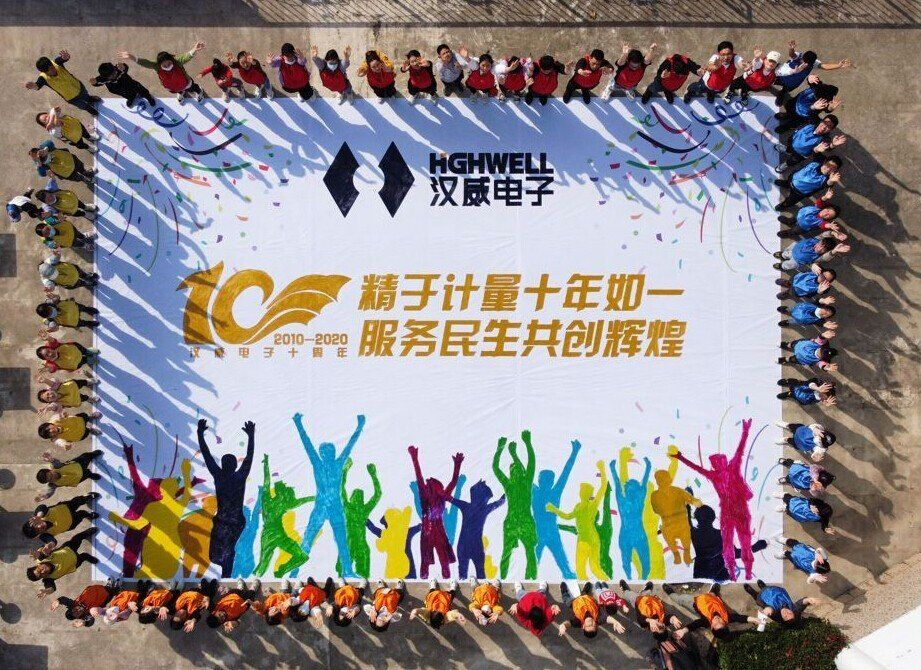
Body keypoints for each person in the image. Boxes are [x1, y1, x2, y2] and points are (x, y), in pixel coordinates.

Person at [197, 419, 255, 577]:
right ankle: (226, 572)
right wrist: (251, 436)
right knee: (219, 554)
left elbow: (207, 455)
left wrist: (200, 434)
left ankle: (226, 574)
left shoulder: (221, 476)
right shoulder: (236, 476)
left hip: (229, 521)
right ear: (235, 465)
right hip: (229, 521)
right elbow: (249, 457)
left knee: (224, 554)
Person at [547, 459, 610, 580]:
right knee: (595, 568)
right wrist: (554, 509)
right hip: (593, 539)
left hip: (584, 540)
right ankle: (605, 584)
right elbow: (567, 516)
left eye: (583, 491)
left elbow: (567, 516)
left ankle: (588, 588)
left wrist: (554, 509)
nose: (581, 492)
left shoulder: (588, 506)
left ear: (585, 493)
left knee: (582, 569)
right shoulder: (585, 506)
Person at [409, 445, 464, 579]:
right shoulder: (427, 496)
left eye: (429, 484)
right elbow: (419, 476)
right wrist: (414, 457)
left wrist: (457, 465)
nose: (426, 484)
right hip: (429, 532)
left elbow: (453, 482)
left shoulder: (440, 496)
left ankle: (445, 580)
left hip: (436, 531)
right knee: (427, 560)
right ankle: (426, 580)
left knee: (442, 560)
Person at [118, 43, 206, 103]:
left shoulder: (177, 62)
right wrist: (132, 57)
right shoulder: (157, 67)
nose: (167, 65)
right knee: (178, 90)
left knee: (192, 88)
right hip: (172, 88)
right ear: (160, 64)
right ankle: (181, 92)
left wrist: (194, 49)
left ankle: (199, 91)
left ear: (172, 60)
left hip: (186, 83)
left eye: (169, 63)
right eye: (164, 64)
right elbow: (145, 63)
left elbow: (186, 57)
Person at [668, 584, 758, 642]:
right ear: (725, 623)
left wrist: (683, 631)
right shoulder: (727, 618)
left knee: (680, 599)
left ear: (711, 627)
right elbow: (740, 618)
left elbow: (695, 625)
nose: (717, 620)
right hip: (712, 598)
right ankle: (714, 589)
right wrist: (754, 619)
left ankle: (670, 593)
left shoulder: (705, 622)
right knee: (713, 593)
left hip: (695, 603)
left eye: (715, 624)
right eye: (721, 622)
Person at [773, 41, 852, 104]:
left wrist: (838, 65)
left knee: (785, 90)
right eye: (804, 62)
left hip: (794, 83)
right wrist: (791, 48)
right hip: (782, 77)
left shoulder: (813, 63)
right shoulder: (798, 56)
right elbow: (792, 54)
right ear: (802, 57)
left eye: (808, 63)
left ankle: (781, 95)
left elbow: (825, 66)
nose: (806, 64)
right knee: (771, 81)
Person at [27, 527, 98, 596]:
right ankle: (88, 557)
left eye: (39, 570)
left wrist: (41, 551)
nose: (42, 572)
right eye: (40, 576)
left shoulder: (42, 559)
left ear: (38, 565)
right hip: (75, 562)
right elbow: (51, 588)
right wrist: (47, 591)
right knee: (84, 556)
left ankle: (88, 532)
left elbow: (42, 554)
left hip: (68, 548)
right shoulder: (48, 579)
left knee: (78, 538)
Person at [26, 51, 100, 115]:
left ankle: (89, 99)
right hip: (71, 98)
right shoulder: (43, 78)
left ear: (52, 65)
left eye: (51, 68)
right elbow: (37, 86)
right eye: (48, 71)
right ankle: (89, 109)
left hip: (78, 87)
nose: (51, 71)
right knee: (82, 105)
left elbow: (63, 59)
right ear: (44, 72)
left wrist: (66, 57)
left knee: (85, 95)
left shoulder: (57, 62)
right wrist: (33, 86)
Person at [777, 117, 846, 173]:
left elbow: (827, 147)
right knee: (788, 149)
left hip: (800, 155)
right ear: (821, 121)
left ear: (831, 130)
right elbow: (812, 112)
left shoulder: (825, 139)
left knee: (792, 161)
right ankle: (787, 150)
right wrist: (815, 107)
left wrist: (833, 144)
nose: (824, 127)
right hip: (792, 141)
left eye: (829, 126)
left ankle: (786, 164)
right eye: (825, 122)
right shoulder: (812, 121)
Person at [557, 582, 626, 638]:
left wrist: (563, 625)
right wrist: (615, 622)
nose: (590, 623)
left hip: (574, 603)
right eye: (592, 625)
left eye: (588, 626)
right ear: (596, 625)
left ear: (583, 626)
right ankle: (586, 589)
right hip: (588, 599)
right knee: (587, 589)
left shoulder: (578, 622)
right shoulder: (599, 619)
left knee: (566, 599)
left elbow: (569, 623)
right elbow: (607, 619)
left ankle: (563, 590)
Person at [23, 494, 98, 544]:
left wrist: (39, 516)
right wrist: (51, 544)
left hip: (66, 507)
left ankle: (87, 497)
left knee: (78, 500)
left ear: (33, 520)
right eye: (38, 530)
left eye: (36, 525)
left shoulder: (40, 514)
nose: (39, 527)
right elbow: (51, 540)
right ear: (38, 535)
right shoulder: (44, 535)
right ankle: (89, 515)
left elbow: (42, 507)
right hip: (71, 522)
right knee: (82, 513)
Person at [775, 76, 841, 133]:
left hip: (802, 117)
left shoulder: (823, 102)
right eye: (815, 92)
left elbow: (826, 110)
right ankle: (787, 115)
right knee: (789, 109)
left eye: (817, 98)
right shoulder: (817, 86)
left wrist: (830, 108)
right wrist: (810, 78)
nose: (814, 95)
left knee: (793, 123)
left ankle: (786, 127)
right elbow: (812, 80)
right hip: (794, 103)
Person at [744, 580, 822, 626]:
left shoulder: (776, 615)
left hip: (763, 599)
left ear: (782, 619)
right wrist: (809, 599)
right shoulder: (794, 609)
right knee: (766, 588)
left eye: (785, 616)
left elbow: (770, 610)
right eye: (789, 613)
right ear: (792, 612)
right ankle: (763, 587)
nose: (786, 613)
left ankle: (752, 592)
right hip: (775, 591)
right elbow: (801, 604)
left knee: (757, 597)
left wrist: (768, 610)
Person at [35, 450, 102, 502]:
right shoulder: (52, 485)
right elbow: (50, 492)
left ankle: (93, 454)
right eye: (50, 479)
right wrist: (46, 496)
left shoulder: (56, 467)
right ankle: (91, 475)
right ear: (48, 482)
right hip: (78, 478)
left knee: (86, 456)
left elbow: (56, 462)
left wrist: (51, 459)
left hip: (77, 465)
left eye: (51, 474)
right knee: (87, 474)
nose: (53, 477)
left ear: (50, 470)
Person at [774, 232, 850, 273]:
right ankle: (783, 255)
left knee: (789, 265)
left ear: (826, 251)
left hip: (796, 261)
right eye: (821, 245)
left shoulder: (818, 257)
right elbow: (823, 235)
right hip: (794, 249)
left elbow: (826, 257)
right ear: (819, 241)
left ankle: (782, 266)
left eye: (824, 249)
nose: (820, 249)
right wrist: (833, 233)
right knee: (787, 251)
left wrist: (834, 251)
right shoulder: (816, 239)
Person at [50, 581, 117, 627]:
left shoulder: (74, 604)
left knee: (107, 586)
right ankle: (116, 588)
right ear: (79, 616)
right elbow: (90, 621)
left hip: (97, 588)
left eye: (74, 610)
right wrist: (84, 623)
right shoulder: (87, 614)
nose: (78, 610)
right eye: (77, 614)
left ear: (72, 608)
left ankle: (109, 585)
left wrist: (58, 601)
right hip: (106, 595)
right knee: (115, 590)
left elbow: (64, 600)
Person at [89, 62, 156, 108]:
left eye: (114, 72)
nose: (114, 75)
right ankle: (131, 98)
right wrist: (94, 83)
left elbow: (125, 67)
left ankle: (148, 97)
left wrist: (124, 66)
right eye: (111, 76)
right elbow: (97, 83)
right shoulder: (102, 78)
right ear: (105, 77)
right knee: (127, 95)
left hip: (130, 84)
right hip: (120, 90)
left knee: (141, 90)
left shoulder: (119, 69)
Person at [29, 140, 95, 186]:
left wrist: (45, 149)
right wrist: (39, 163)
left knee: (81, 167)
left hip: (71, 160)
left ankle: (86, 173)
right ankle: (85, 179)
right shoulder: (39, 164)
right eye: (35, 157)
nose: (39, 155)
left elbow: (49, 142)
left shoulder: (43, 147)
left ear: (38, 149)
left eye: (38, 152)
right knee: (77, 177)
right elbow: (42, 174)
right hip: (65, 172)